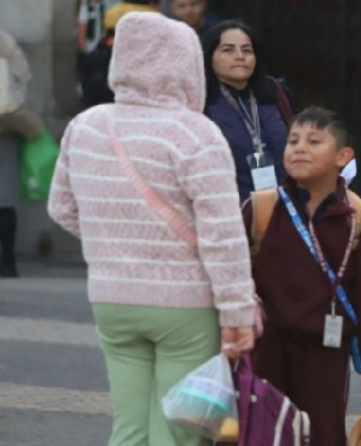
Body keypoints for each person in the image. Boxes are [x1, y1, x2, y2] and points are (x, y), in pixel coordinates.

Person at [47, 12, 256, 446]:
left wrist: (116, 242)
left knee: (129, 429)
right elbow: (222, 237)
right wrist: (237, 313)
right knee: (178, 432)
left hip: (112, 300)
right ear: (186, 65)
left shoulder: (86, 126)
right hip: (185, 305)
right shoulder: (197, 134)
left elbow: (61, 208)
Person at [243, 106, 361, 446]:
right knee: (258, 434)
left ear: (343, 156)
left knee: (322, 435)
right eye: (293, 141)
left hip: (326, 351)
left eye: (314, 141)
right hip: (264, 348)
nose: (300, 148)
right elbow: (230, 274)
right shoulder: (260, 208)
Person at [202, 20, 289, 202]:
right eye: (228, 50)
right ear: (210, 56)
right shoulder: (202, 101)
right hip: (230, 205)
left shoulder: (272, 91)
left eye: (247, 50)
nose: (240, 56)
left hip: (284, 204)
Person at [0, 30, 45, 278]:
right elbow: (24, 76)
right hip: (5, 125)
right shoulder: (4, 40)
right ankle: (8, 261)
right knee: (4, 198)